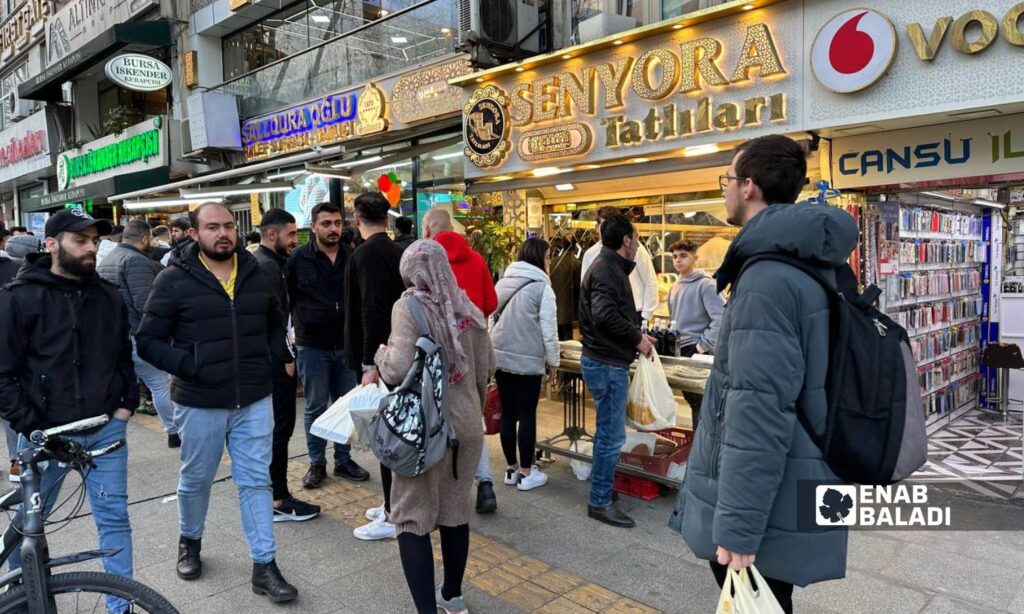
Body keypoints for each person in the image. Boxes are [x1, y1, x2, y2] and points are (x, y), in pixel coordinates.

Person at [669, 135, 856, 614]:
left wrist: (738, 527)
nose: (725, 191)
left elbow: (758, 410)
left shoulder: (767, 280)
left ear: (749, 186)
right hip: (793, 472)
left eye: (727, 180)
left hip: (767, 497)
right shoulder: (805, 262)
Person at [136, 202, 298, 603]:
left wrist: (278, 358)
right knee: (196, 480)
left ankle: (265, 565)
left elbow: (275, 323)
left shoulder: (256, 274)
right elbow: (148, 340)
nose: (223, 233)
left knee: (256, 482)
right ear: (194, 234)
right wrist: (190, 367)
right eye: (212, 227)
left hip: (254, 398)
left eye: (228, 225)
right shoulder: (174, 280)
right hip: (199, 400)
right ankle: (189, 542)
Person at [0, 208, 137, 613]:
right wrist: (34, 427)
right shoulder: (18, 299)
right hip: (46, 434)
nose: (91, 247)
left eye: (95, 240)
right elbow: (3, 374)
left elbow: (123, 357)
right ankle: (21, 600)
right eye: (81, 240)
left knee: (114, 519)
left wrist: (126, 405)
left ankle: (122, 606)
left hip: (105, 432)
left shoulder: (108, 295)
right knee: (27, 525)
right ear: (52, 244)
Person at [375, 240, 494, 614]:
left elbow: (396, 368)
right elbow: (487, 369)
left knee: (412, 517)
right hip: (467, 429)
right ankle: (453, 597)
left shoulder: (409, 305)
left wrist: (379, 355)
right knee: (455, 512)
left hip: (424, 431)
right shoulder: (468, 309)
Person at [285, 203, 370, 489]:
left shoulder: (353, 256)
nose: (333, 228)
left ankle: (343, 460)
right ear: (314, 227)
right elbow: (288, 300)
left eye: (336, 222)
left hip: (346, 345)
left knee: (345, 406)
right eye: (326, 223)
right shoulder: (298, 259)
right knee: (315, 406)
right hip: (313, 346)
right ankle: (316, 463)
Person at [579, 213, 655, 529]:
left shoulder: (607, 265)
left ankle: (603, 491)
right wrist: (637, 338)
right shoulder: (607, 269)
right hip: (607, 362)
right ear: (626, 240)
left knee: (607, 434)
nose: (638, 243)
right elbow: (605, 314)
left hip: (604, 359)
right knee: (611, 437)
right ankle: (599, 501)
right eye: (636, 237)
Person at [421, 207, 499, 513]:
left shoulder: (426, 261)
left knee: (437, 419)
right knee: (471, 417)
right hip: (474, 352)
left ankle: (444, 490)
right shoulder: (477, 259)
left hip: (438, 354)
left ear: (427, 230)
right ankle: (485, 484)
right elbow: (491, 302)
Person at [253, 208, 321, 523]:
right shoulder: (267, 266)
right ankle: (278, 499)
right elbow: (274, 319)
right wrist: (287, 358)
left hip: (271, 360)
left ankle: (274, 494)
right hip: (274, 363)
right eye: (291, 234)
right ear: (272, 234)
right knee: (280, 430)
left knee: (277, 430)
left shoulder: (271, 263)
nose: (295, 240)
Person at [345, 193, 406, 541]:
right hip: (398, 355)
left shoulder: (366, 254)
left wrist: (369, 363)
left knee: (384, 438)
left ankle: (391, 513)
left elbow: (371, 309)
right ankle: (390, 502)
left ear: (356, 218)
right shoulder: (397, 251)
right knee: (391, 435)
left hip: (381, 361)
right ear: (387, 216)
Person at [96, 220, 180, 447]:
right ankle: (174, 431)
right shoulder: (135, 262)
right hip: (135, 334)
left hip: (116, 335)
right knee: (160, 383)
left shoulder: (108, 259)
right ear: (144, 238)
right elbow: (146, 303)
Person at [490, 238, 559, 492]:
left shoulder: (502, 282)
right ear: (539, 258)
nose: (549, 261)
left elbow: (491, 320)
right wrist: (554, 362)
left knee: (508, 412)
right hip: (528, 361)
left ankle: (511, 469)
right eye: (548, 256)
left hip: (501, 358)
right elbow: (549, 332)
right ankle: (527, 473)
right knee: (527, 415)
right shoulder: (543, 289)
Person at [666, 239, 725, 431]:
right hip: (680, 350)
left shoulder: (706, 285)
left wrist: (702, 346)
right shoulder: (674, 287)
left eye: (684, 255)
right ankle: (696, 449)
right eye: (674, 256)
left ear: (695, 258)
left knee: (703, 406)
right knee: (692, 401)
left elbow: (721, 318)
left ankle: (703, 453)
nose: (678, 260)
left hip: (699, 354)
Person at [0, 233, 41, 481]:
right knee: (13, 405)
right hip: (14, 347)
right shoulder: (14, 270)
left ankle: (19, 459)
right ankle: (19, 460)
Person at [580, 207, 658, 323]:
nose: (605, 230)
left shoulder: (635, 248)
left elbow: (650, 281)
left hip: (635, 311)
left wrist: (645, 316)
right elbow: (585, 288)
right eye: (602, 226)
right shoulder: (590, 254)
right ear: (597, 228)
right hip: (603, 314)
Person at [549, 236, 581, 341]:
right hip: (571, 313)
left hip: (554, 310)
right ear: (575, 246)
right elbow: (579, 288)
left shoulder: (552, 263)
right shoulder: (576, 264)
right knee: (569, 345)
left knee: (556, 341)